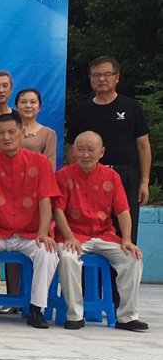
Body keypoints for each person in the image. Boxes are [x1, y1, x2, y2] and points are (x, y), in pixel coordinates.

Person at [0, 113, 60, 328]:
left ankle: (36, 309)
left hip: (30, 233)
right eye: (1, 133)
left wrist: (43, 233)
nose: (6, 137)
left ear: (22, 133)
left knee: (48, 252)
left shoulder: (40, 163)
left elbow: (46, 200)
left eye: (11, 132)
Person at [54, 132, 148, 332]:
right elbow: (58, 210)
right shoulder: (63, 175)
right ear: (73, 152)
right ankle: (75, 315)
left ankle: (127, 317)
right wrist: (69, 236)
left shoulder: (112, 177)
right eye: (81, 150)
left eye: (91, 150)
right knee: (68, 258)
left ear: (102, 152)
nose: (85, 155)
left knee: (132, 258)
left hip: (104, 233)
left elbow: (123, 211)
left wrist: (127, 239)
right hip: (73, 234)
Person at [67, 56, 150, 243]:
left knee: (126, 234)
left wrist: (144, 182)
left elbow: (143, 145)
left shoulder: (131, 107)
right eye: (96, 75)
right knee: (89, 230)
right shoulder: (81, 111)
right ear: (90, 78)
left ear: (117, 77)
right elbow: (72, 147)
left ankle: (124, 261)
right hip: (91, 177)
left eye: (107, 74)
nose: (101, 79)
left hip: (126, 176)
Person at [16, 88, 57, 168]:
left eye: (33, 102)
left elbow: (50, 166)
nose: (28, 106)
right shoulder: (7, 130)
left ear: (39, 107)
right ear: (16, 106)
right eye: (23, 102)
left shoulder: (48, 133)